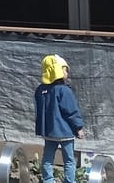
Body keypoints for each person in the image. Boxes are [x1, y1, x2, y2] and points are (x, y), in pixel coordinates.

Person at [35, 54, 85, 183]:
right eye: (65, 70)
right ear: (57, 71)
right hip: (65, 132)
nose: (67, 73)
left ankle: (48, 180)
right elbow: (71, 111)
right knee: (69, 160)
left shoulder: (41, 90)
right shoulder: (64, 90)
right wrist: (78, 127)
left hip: (49, 132)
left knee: (47, 159)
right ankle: (69, 181)